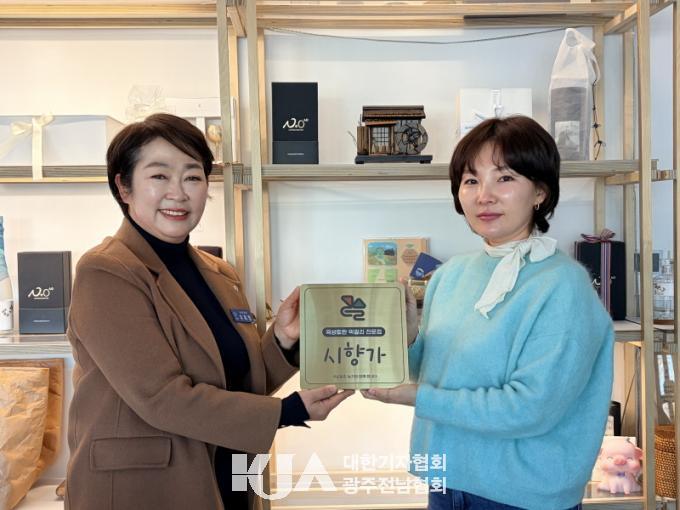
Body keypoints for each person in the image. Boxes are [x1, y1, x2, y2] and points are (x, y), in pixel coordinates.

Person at [65, 113, 353, 510]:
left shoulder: (219, 273)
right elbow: (160, 396)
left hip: (227, 477)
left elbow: (239, 382)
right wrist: (287, 411)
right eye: (159, 176)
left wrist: (283, 340)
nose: (179, 192)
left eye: (192, 176)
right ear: (124, 186)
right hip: (146, 487)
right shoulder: (107, 271)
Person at [362, 116, 614, 510]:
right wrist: (406, 338)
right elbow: (432, 371)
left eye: (505, 178)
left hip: (522, 495)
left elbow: (530, 408)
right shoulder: (451, 274)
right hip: (447, 480)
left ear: (540, 192)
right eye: (471, 180)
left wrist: (418, 398)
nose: (484, 196)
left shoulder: (564, 285)